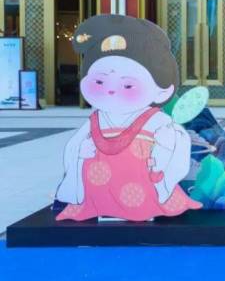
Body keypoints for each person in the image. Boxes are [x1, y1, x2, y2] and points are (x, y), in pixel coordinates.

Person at [55, 14, 201, 221]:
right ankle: (103, 207)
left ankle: (144, 210)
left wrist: (164, 149)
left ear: (162, 91)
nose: (111, 90)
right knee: (101, 198)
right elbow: (74, 146)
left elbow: (178, 144)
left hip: (143, 185)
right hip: (98, 184)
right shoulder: (96, 120)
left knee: (144, 200)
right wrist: (80, 151)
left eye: (128, 85)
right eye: (99, 82)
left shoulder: (156, 120)